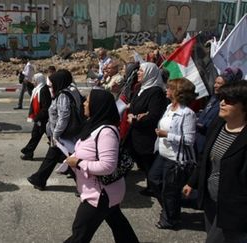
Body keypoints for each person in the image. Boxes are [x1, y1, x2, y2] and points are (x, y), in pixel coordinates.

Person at [64, 89, 139, 243]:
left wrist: (78, 163)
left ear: (97, 105)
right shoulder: (94, 125)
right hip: (101, 191)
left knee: (80, 233)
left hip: (100, 194)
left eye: (87, 101)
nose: (84, 103)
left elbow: (108, 166)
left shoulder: (106, 132)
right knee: (119, 225)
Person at [183, 82, 247, 243]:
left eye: (229, 100)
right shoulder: (219, 125)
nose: (222, 103)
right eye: (221, 98)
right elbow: (205, 157)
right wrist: (192, 182)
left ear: (244, 106)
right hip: (211, 201)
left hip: (233, 207)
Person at [148, 78, 198, 229]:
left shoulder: (187, 114)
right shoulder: (169, 107)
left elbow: (189, 140)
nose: (166, 90)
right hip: (163, 153)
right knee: (154, 180)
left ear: (177, 92)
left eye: (169, 88)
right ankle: (170, 208)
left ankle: (171, 218)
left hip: (176, 159)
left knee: (170, 190)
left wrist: (166, 135)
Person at [27, 69, 83, 190]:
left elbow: (63, 117)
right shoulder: (72, 90)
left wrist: (56, 135)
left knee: (65, 157)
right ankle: (39, 179)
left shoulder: (63, 95)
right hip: (66, 133)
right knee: (54, 156)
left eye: (52, 84)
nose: (50, 87)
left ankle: (83, 185)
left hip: (63, 133)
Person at [125, 62, 166, 197]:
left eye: (141, 70)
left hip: (147, 136)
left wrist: (137, 119)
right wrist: (133, 114)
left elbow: (154, 115)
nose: (138, 73)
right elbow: (134, 106)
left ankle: (155, 188)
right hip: (136, 133)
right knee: (141, 161)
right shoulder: (141, 88)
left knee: (149, 163)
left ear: (149, 73)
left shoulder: (156, 92)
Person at [196, 67, 244, 157]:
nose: (215, 85)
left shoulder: (229, 104)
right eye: (215, 82)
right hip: (197, 142)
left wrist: (198, 124)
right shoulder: (214, 98)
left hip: (207, 145)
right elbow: (205, 114)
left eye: (219, 83)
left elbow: (215, 124)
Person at [20, 73, 52, 160]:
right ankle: (28, 153)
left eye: (35, 80)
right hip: (39, 118)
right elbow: (32, 88)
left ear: (39, 81)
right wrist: (26, 81)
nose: (34, 82)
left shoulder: (44, 90)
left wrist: (38, 117)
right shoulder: (38, 89)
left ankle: (28, 152)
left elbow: (46, 107)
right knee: (36, 136)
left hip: (43, 119)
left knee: (41, 136)